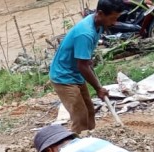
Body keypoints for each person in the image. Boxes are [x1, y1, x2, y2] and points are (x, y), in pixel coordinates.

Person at [50, 0, 125, 133]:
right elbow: (82, 66)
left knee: (89, 111)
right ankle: (77, 145)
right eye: (113, 18)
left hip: (75, 73)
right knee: (80, 116)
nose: (115, 22)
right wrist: (98, 88)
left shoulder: (98, 24)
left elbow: (84, 61)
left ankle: (89, 139)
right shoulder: (85, 33)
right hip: (63, 77)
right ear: (100, 13)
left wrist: (87, 61)